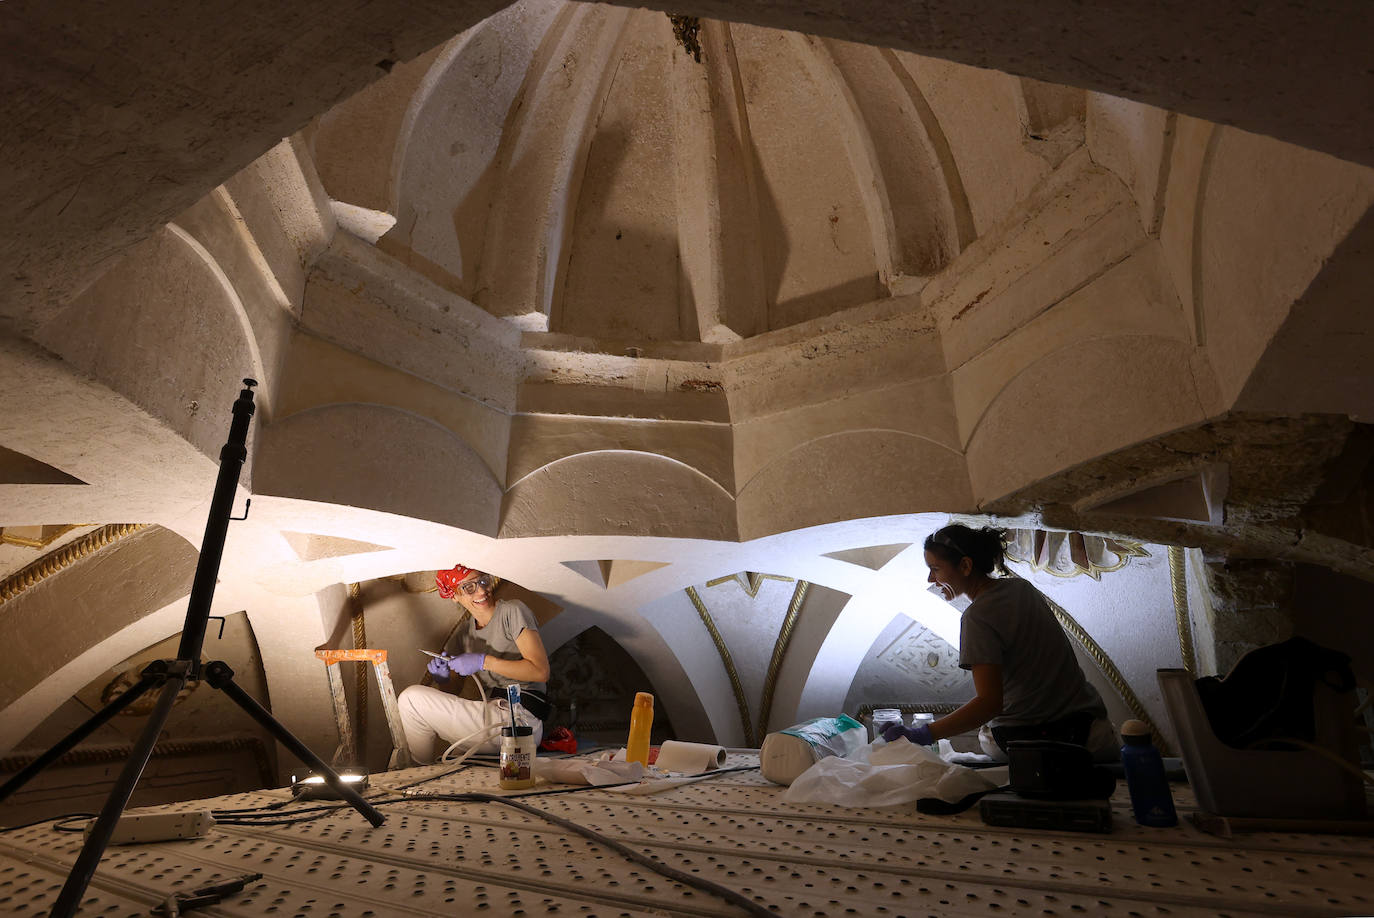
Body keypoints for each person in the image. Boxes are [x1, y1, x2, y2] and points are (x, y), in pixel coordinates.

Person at [883, 524, 1118, 761]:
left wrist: (923, 734)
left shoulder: (977, 617)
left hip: (1030, 743)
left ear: (965, 566)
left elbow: (988, 704)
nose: (931, 578)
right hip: (1091, 733)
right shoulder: (1023, 589)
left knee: (981, 744)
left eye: (935, 568)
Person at [398, 564, 552, 763]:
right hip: (491, 719)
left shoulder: (512, 611)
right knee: (416, 709)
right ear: (453, 595)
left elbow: (541, 671)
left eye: (483, 580)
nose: (481, 590)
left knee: (411, 699)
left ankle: (420, 771)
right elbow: (452, 692)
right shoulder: (464, 633)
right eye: (468, 587)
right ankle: (425, 773)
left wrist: (484, 661)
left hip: (519, 719)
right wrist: (442, 678)